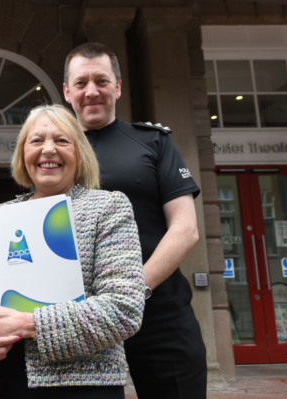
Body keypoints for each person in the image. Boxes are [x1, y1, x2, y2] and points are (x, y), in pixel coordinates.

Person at [0, 104, 145, 399]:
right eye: (36, 141)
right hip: (14, 381)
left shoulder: (108, 208)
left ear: (79, 153)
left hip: (88, 385)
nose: (48, 150)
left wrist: (29, 323)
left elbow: (124, 308)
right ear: (23, 153)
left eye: (62, 140)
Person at [63, 41, 207, 399]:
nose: (92, 91)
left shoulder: (154, 142)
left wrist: (130, 293)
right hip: (82, 321)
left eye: (101, 81)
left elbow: (185, 229)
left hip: (160, 314)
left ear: (118, 86)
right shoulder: (51, 152)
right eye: (81, 83)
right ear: (67, 92)